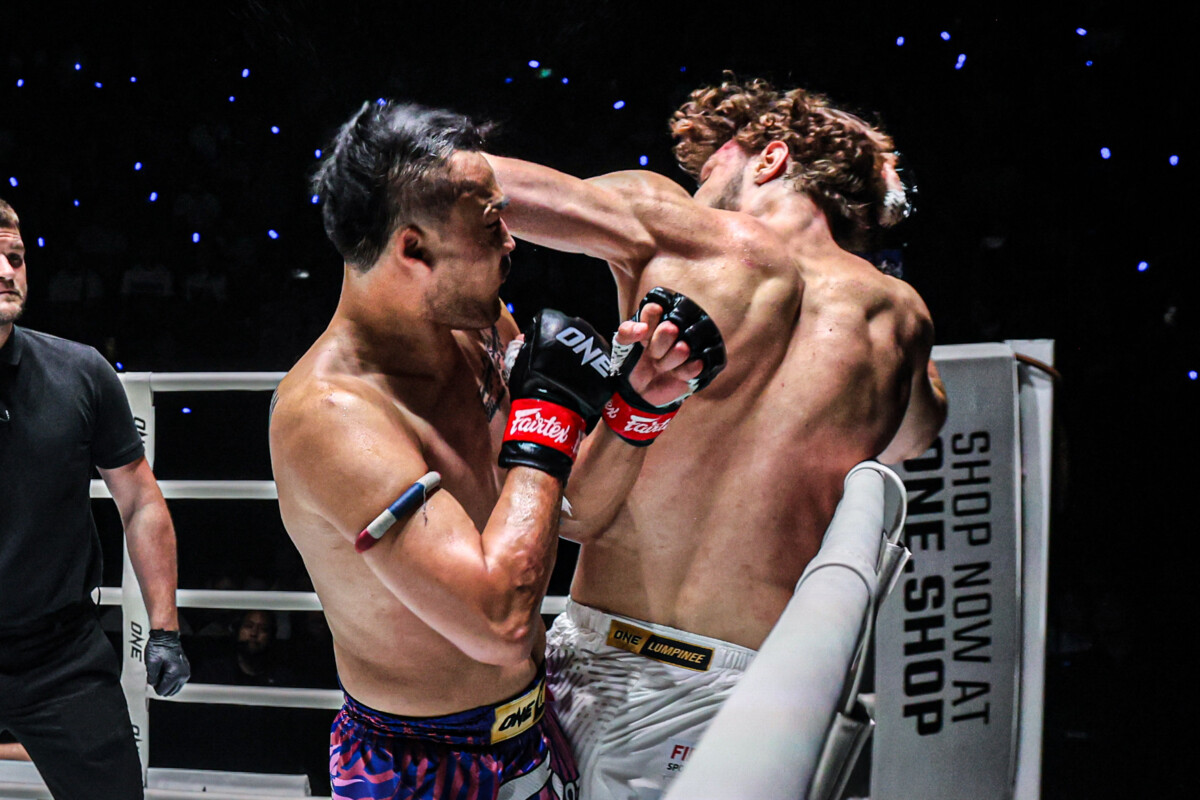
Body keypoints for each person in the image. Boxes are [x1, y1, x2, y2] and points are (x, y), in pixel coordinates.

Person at [484, 75, 948, 798]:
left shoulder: (679, 227)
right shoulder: (901, 317)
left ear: (768, 158)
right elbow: (914, 438)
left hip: (593, 649)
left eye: (708, 171)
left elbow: (475, 184)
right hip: (742, 697)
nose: (697, 189)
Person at [268, 102, 720, 800]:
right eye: (490, 224)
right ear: (413, 250)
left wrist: (639, 407)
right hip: (419, 763)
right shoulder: (333, 417)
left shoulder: (476, 327)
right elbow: (498, 623)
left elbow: (568, 511)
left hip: (532, 727)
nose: (511, 241)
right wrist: (552, 417)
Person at [0, 197, 190, 800]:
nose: (7, 272)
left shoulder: (79, 373)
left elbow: (140, 502)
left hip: (59, 654)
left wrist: (165, 628)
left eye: (15, 257)